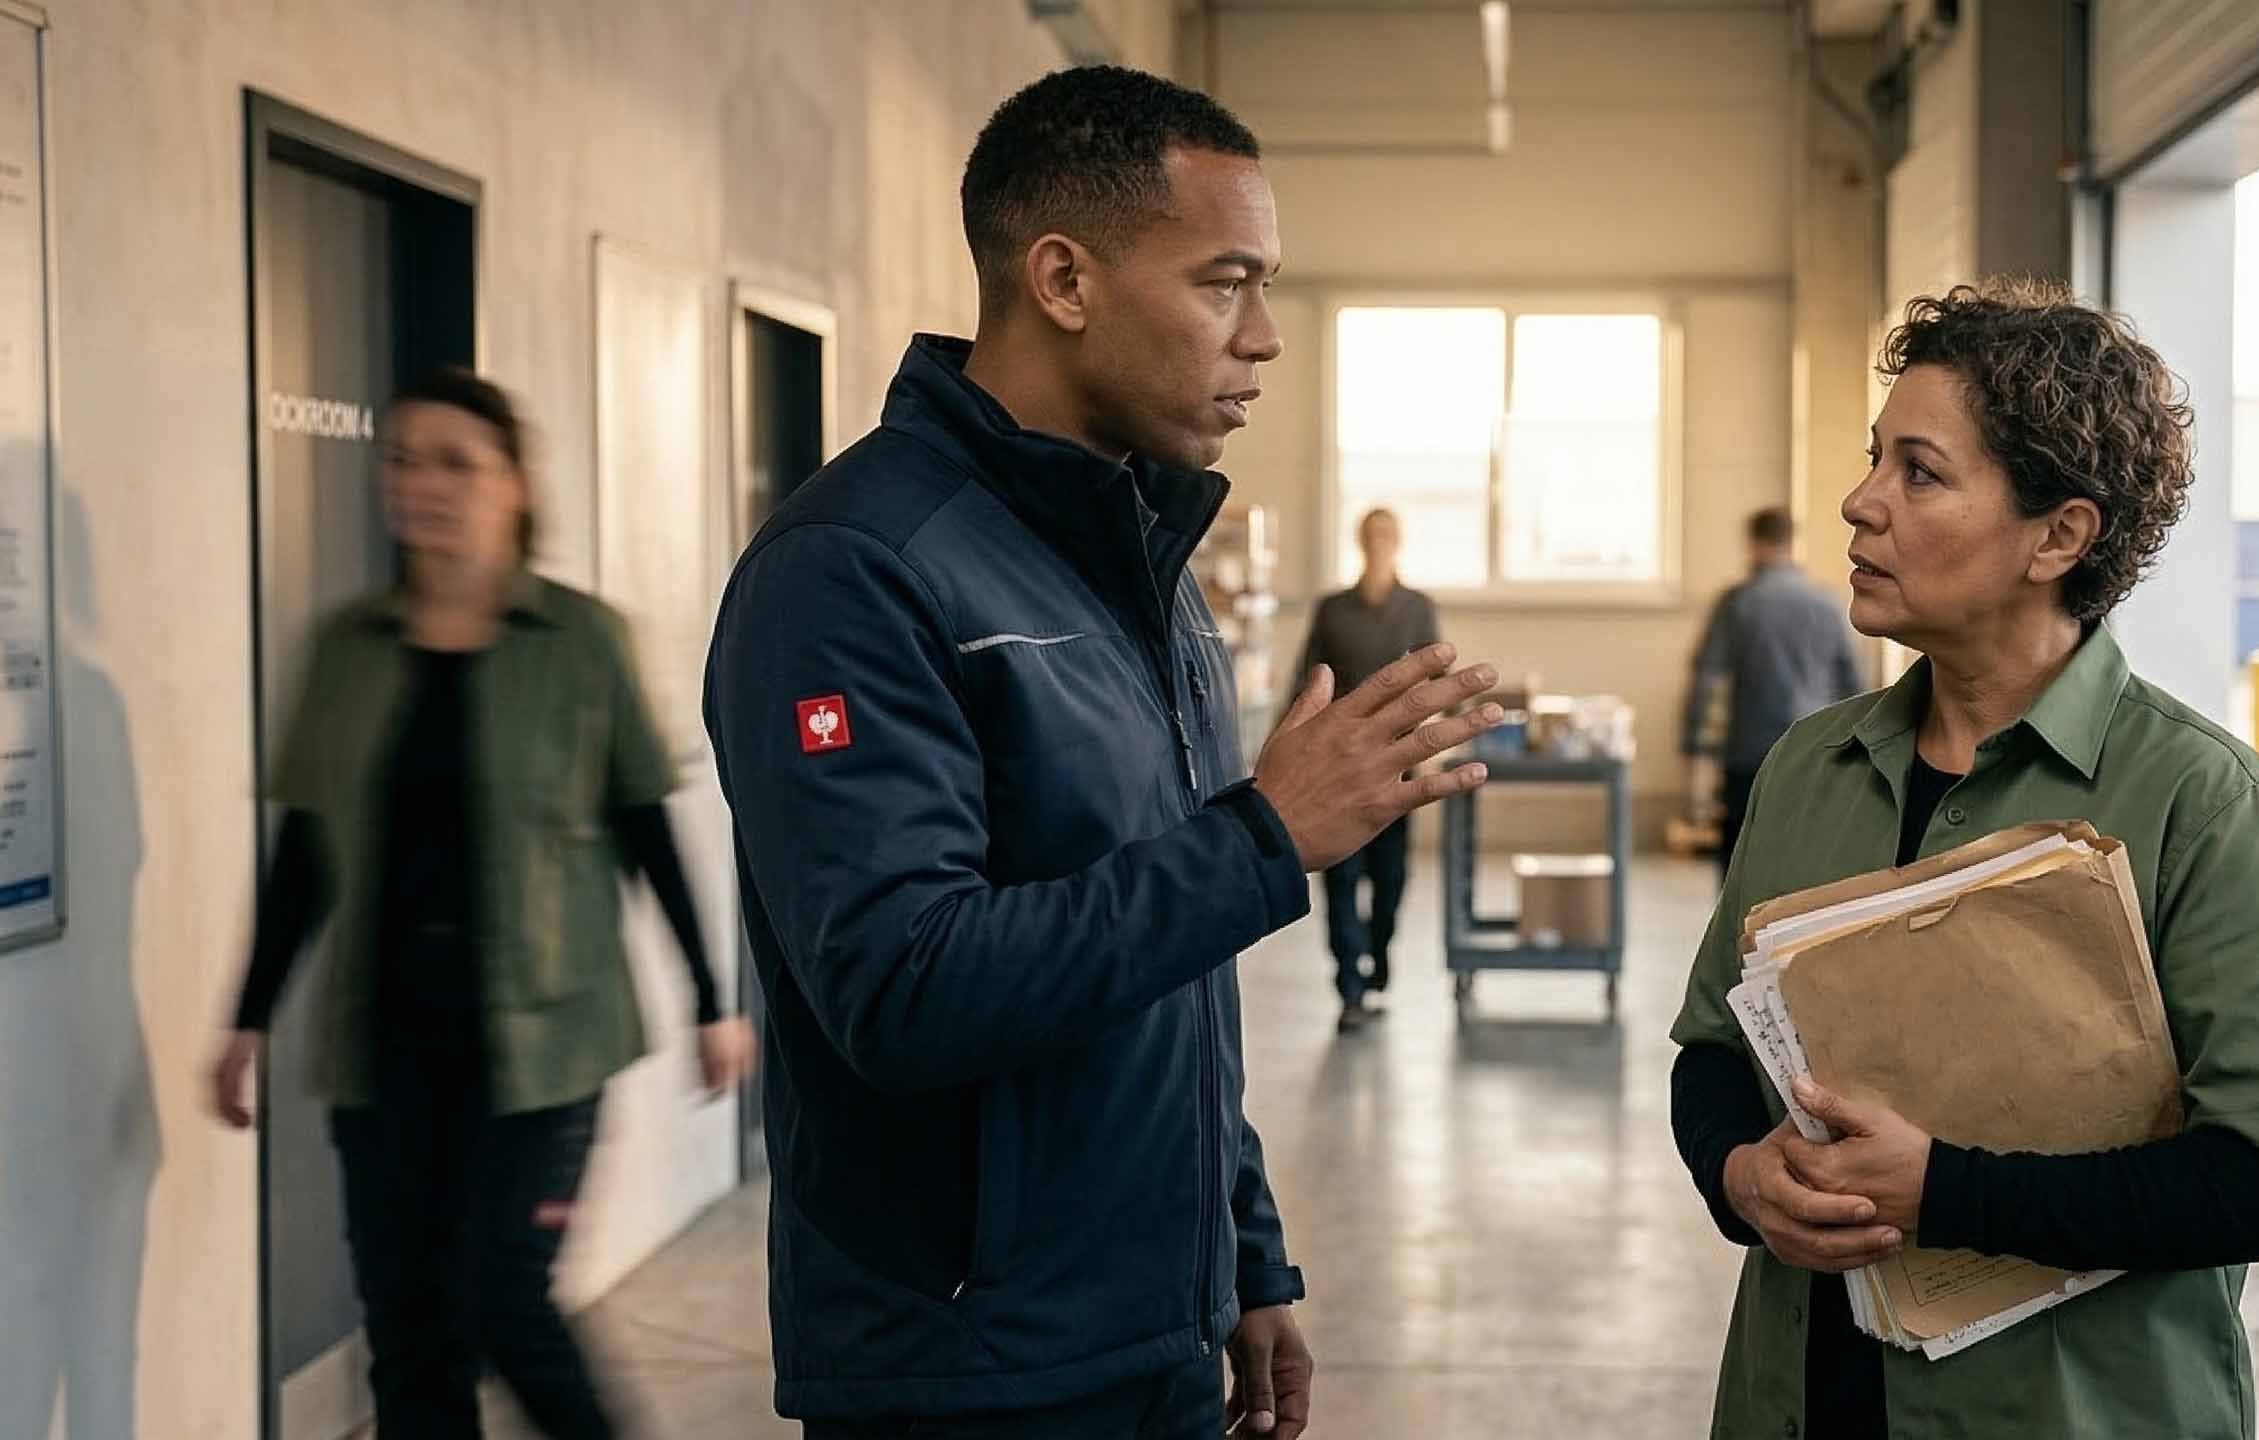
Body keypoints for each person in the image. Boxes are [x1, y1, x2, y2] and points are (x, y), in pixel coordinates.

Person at [703, 67, 1501, 1440]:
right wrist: (1267, 836)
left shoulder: (1138, 565)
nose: (1264, 339)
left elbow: (1171, 979)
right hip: (969, 1373)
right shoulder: (853, 572)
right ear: (1063, 279)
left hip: (1158, 1332)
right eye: (1223, 283)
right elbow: (902, 990)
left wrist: (1243, 1248)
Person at [1668, 282, 2259, 1439]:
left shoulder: (2207, 806)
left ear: (2058, 535)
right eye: (1873, 459)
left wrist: (1945, 1192)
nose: (1858, 503)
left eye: (1919, 473)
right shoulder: (1807, 772)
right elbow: (1709, 1056)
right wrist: (1741, 1179)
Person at [208, 368, 755, 1440]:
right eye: (403, 459)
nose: (423, 484)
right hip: (383, 1047)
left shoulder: (581, 642)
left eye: (455, 462)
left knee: (500, 1297)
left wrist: (709, 995)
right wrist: (247, 1013)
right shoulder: (346, 649)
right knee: (408, 1332)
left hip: (542, 1043)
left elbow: (646, 829)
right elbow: (306, 851)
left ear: (513, 486)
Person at [1289, 507, 1443, 1028]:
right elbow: (1307, 680)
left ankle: (1378, 957)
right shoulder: (1333, 609)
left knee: (1391, 874)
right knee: (1340, 876)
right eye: (1370, 534)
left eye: (1386, 534)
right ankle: (1349, 988)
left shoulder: (1417, 608)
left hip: (1401, 764)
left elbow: (1437, 676)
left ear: (1398, 541)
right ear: (1359, 540)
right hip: (1340, 769)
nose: (1378, 542)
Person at [1683, 506, 1868, 876]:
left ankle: (1740, 933)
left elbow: (1706, 677)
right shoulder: (1827, 603)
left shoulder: (1738, 603)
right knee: (1806, 859)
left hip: (1750, 751)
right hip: (1817, 749)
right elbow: (1854, 684)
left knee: (1741, 859)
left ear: (1753, 543)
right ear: (1791, 542)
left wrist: (1693, 742)